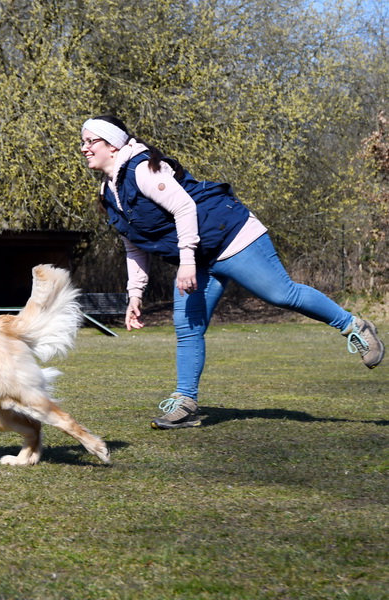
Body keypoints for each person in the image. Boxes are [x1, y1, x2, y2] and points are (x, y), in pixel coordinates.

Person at [80, 115, 385, 429]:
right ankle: (185, 403)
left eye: (92, 141)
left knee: (281, 294)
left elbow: (184, 208)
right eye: (83, 142)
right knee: (187, 328)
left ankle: (353, 326)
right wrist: (135, 294)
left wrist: (186, 263)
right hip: (197, 254)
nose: (84, 148)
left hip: (230, 236)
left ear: (113, 145)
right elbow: (135, 246)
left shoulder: (142, 169)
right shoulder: (109, 193)